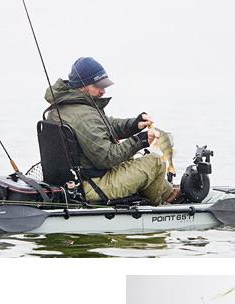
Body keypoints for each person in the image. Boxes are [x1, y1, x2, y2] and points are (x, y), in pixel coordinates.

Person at [43, 57, 178, 205]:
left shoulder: (67, 105)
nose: (103, 90)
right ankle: (160, 207)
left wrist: (134, 124)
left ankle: (170, 193)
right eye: (98, 86)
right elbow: (107, 158)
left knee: (131, 159)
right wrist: (140, 140)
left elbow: (105, 126)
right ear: (83, 85)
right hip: (93, 186)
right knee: (156, 162)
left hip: (76, 181)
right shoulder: (85, 116)